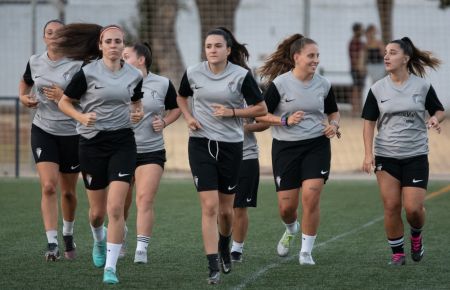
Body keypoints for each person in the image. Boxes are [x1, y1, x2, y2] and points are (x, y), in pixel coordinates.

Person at [176, 27, 267, 284]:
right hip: (200, 144)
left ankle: (225, 245)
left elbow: (261, 108)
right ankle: (212, 263)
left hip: (231, 146)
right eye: (208, 46)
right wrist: (189, 116)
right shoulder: (193, 72)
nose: (212, 50)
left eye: (218, 46)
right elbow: (181, 97)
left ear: (228, 50)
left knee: (227, 212)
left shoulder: (241, 76)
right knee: (209, 206)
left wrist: (233, 114)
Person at [56, 23, 144, 284]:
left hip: (122, 141)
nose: (114, 46)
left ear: (123, 45)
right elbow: (64, 102)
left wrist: (136, 113)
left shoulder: (134, 74)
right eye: (109, 41)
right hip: (91, 143)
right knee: (97, 213)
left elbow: (136, 101)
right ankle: (98, 239)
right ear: (100, 45)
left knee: (115, 207)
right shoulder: (87, 73)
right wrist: (81, 118)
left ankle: (111, 268)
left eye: (118, 41)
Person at [257, 33, 340, 265]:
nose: (316, 60)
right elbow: (261, 113)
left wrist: (333, 125)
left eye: (317, 56)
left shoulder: (323, 84)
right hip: (285, 148)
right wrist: (284, 121)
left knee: (311, 196)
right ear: (296, 57)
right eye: (311, 56)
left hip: (317, 145)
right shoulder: (280, 84)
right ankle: (291, 228)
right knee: (286, 207)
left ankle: (306, 252)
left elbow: (333, 111)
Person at [362, 37, 444, 266]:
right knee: (391, 206)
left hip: (416, 155)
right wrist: (368, 154)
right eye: (386, 52)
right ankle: (397, 254)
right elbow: (368, 122)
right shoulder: (377, 88)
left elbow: (438, 110)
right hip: (386, 155)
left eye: (393, 52)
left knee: (413, 209)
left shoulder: (422, 86)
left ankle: (416, 235)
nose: (386, 56)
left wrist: (436, 119)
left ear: (406, 58)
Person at [18, 19, 82, 261]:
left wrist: (65, 97)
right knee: (48, 186)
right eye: (49, 32)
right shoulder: (35, 61)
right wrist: (23, 97)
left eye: (59, 33)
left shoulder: (77, 65)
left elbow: (88, 98)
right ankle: (52, 243)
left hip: (72, 133)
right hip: (43, 129)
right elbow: (26, 82)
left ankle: (68, 234)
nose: (54, 36)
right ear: (44, 37)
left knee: (68, 193)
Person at [121, 42, 181, 263]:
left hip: (151, 150)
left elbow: (176, 109)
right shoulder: (116, 82)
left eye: (126, 55)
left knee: (144, 199)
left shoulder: (163, 83)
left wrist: (164, 122)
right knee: (120, 204)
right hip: (121, 150)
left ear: (141, 59)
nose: (121, 59)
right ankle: (121, 235)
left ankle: (141, 249)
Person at [230, 116, 269, 263]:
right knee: (221, 208)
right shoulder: (208, 94)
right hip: (219, 156)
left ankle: (236, 250)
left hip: (247, 156)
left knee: (240, 207)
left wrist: (246, 127)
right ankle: (221, 244)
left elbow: (265, 122)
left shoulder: (252, 94)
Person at [349, 22, 366, 116]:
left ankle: (358, 109)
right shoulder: (355, 42)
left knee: (359, 89)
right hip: (356, 69)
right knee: (356, 89)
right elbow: (355, 57)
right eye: (361, 29)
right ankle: (355, 110)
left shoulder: (358, 42)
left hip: (359, 68)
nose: (363, 31)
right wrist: (359, 68)